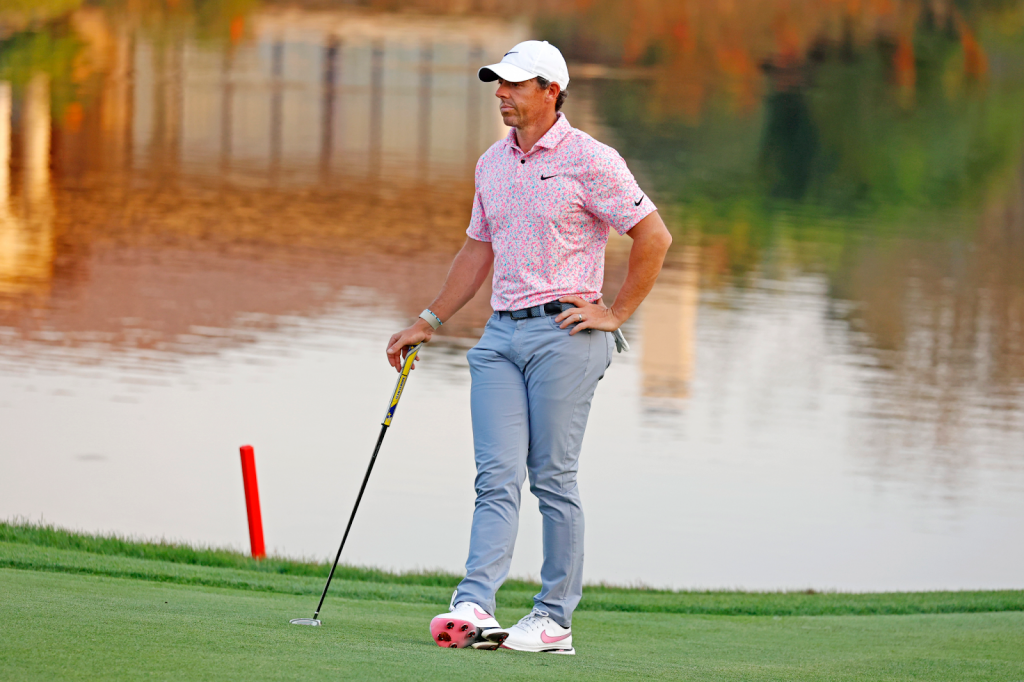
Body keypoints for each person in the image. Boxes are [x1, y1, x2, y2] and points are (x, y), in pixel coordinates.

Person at [385, 40, 672, 655]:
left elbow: (654, 236)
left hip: (565, 336)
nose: (501, 93)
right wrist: (430, 319)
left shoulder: (592, 159)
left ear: (551, 90)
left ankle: (553, 620)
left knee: (552, 478)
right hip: (500, 337)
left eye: (514, 85)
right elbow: (478, 249)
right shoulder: (493, 163)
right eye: (498, 83)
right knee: (496, 477)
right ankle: (475, 604)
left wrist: (616, 313)